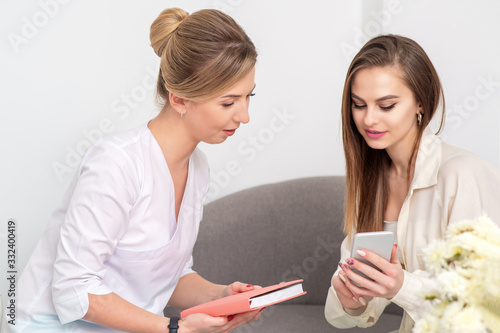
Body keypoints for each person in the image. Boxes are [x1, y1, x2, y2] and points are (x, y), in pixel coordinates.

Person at [8, 8, 260, 333]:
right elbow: (74, 290)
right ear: (180, 99)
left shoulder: (197, 168)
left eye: (248, 97)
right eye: (229, 103)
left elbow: (168, 274)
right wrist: (174, 328)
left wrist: (223, 295)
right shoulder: (115, 164)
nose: (245, 116)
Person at [324, 34, 500, 332]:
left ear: (421, 102)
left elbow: (480, 302)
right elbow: (346, 313)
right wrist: (354, 300)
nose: (369, 120)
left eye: (386, 105)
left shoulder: (462, 174)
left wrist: (400, 285)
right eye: (358, 105)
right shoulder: (371, 183)